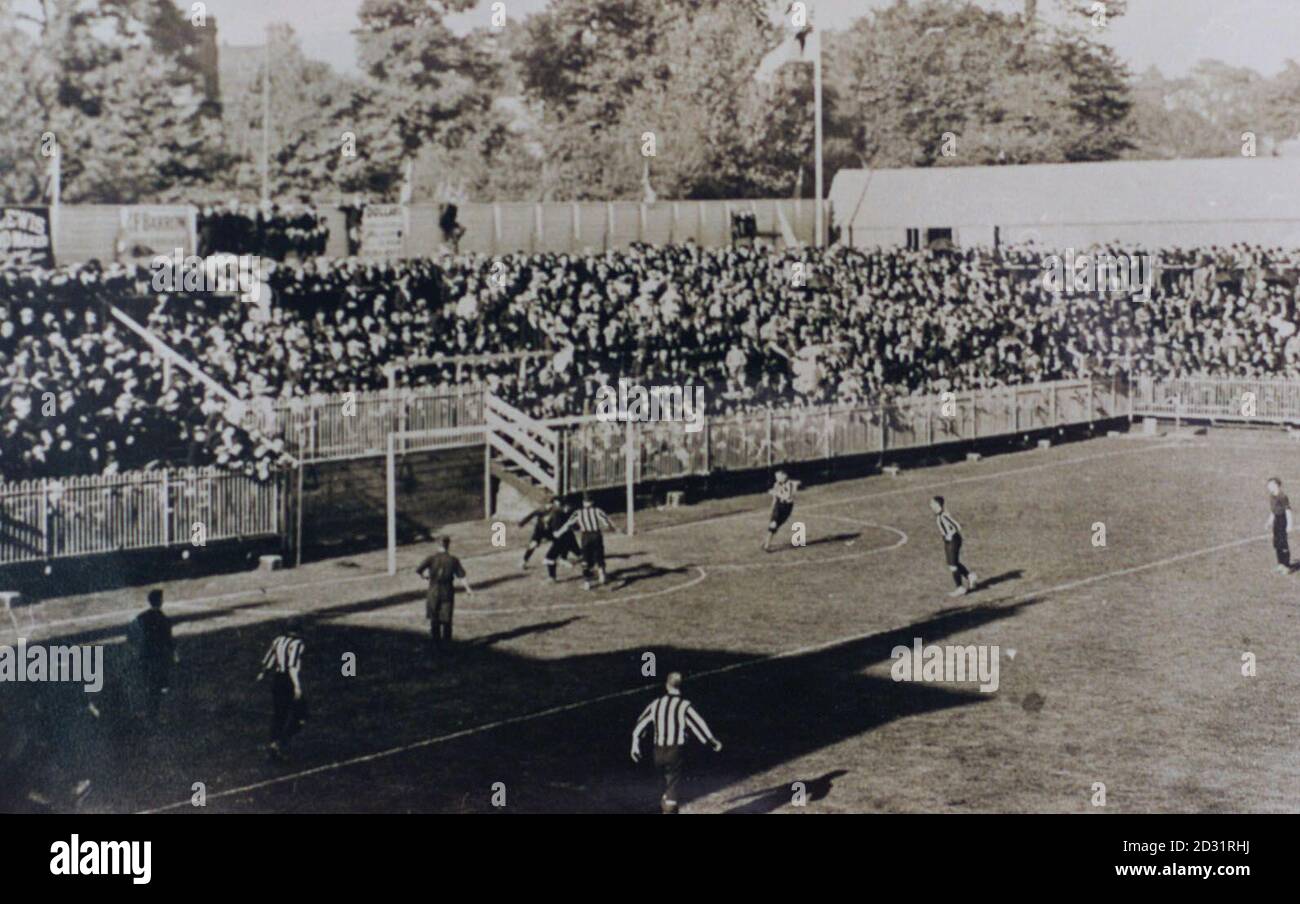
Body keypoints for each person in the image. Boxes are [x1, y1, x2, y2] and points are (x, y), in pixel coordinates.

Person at [630, 672, 723, 814]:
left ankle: (666, 806)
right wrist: (712, 742)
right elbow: (699, 725)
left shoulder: (656, 704)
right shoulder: (684, 705)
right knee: (672, 786)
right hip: (675, 751)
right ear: (682, 687)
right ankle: (669, 808)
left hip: (658, 751)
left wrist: (635, 745)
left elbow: (640, 725)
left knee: (663, 787)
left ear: (667, 685)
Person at [256, 619, 307, 763]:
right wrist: (297, 686)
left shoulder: (278, 640)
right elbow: (292, 666)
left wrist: (262, 674)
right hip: (288, 681)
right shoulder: (297, 644)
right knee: (301, 716)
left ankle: (274, 743)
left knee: (279, 714)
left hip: (277, 679)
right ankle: (280, 743)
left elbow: (269, 659)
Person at [416, 535, 474, 653]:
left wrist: (425, 576)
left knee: (434, 619)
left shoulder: (431, 559)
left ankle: (435, 646)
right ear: (448, 545)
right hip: (447, 592)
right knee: (447, 620)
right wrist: (468, 589)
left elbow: (419, 570)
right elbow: (461, 576)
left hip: (433, 592)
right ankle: (447, 646)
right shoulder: (453, 560)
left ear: (437, 545)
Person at [127, 588, 176, 723]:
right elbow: (169, 643)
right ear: (160, 601)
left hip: (145, 657)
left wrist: (136, 652)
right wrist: (173, 658)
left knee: (146, 685)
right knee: (157, 688)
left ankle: (145, 714)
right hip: (159, 659)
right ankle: (153, 715)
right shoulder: (165, 620)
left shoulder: (141, 618)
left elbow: (130, 636)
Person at [554, 494, 616, 590]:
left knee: (586, 558)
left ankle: (587, 582)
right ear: (592, 502)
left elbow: (568, 524)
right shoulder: (597, 511)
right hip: (596, 535)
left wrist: (559, 533)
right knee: (599, 554)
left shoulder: (578, 513)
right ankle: (602, 576)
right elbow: (606, 523)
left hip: (585, 536)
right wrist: (612, 529)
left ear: (583, 503)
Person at [931, 496, 977, 596]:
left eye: (932, 503)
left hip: (953, 541)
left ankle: (960, 587)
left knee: (952, 565)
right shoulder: (940, 515)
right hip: (949, 541)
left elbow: (957, 526)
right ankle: (969, 576)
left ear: (938, 504)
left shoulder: (943, 516)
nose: (931, 505)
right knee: (953, 562)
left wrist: (949, 535)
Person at [763, 469, 800, 552]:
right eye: (776, 477)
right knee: (773, 524)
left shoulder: (790, 484)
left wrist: (775, 493)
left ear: (785, 475)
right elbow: (775, 498)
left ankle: (766, 542)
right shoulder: (777, 484)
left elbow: (787, 497)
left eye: (778, 476)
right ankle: (766, 546)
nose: (777, 478)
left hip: (787, 507)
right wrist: (773, 507)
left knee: (776, 526)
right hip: (779, 506)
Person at [518, 497, 559, 570]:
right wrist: (522, 523)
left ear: (553, 504)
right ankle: (524, 560)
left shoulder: (554, 512)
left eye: (550, 504)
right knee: (533, 544)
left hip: (549, 531)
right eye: (547, 504)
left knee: (560, 541)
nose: (548, 506)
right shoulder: (540, 511)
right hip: (539, 531)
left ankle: (562, 557)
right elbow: (531, 515)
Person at [1266, 477, 1293, 574]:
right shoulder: (1272, 496)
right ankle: (1280, 564)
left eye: (1270, 485)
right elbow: (1273, 511)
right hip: (1276, 520)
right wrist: (1269, 522)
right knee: (1277, 543)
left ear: (1276, 485)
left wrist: (1289, 525)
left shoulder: (1282, 496)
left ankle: (1286, 566)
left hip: (1283, 520)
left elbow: (1288, 511)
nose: (1268, 487)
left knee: (1283, 543)